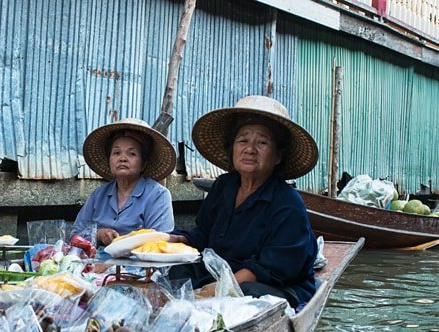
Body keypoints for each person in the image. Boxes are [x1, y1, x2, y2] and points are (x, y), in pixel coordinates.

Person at [166, 95, 319, 308]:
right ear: (233, 149)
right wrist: (168, 240)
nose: (250, 149)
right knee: (176, 270)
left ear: (277, 156)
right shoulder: (223, 186)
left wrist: (220, 288)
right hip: (222, 272)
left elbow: (272, 267)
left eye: (262, 142)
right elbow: (203, 235)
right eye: (243, 140)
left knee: (247, 294)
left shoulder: (287, 202)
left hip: (271, 284)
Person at [72, 118, 177, 247]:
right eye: (116, 153)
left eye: (131, 154)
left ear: (143, 163)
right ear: (109, 159)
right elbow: (75, 235)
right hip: (95, 263)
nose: (122, 158)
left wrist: (133, 239)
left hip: (138, 265)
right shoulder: (98, 196)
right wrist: (98, 234)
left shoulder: (158, 195)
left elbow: (161, 243)